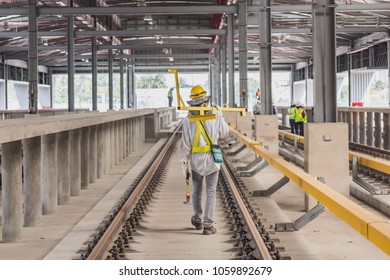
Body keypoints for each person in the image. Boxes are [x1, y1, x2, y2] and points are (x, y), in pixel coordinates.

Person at [179, 85, 229, 235]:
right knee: (211, 191)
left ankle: (197, 218)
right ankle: (208, 224)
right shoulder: (215, 114)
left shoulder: (188, 120)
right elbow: (224, 133)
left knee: (196, 191)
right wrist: (221, 115)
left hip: (196, 161)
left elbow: (185, 144)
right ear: (205, 100)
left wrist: (184, 162)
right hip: (212, 159)